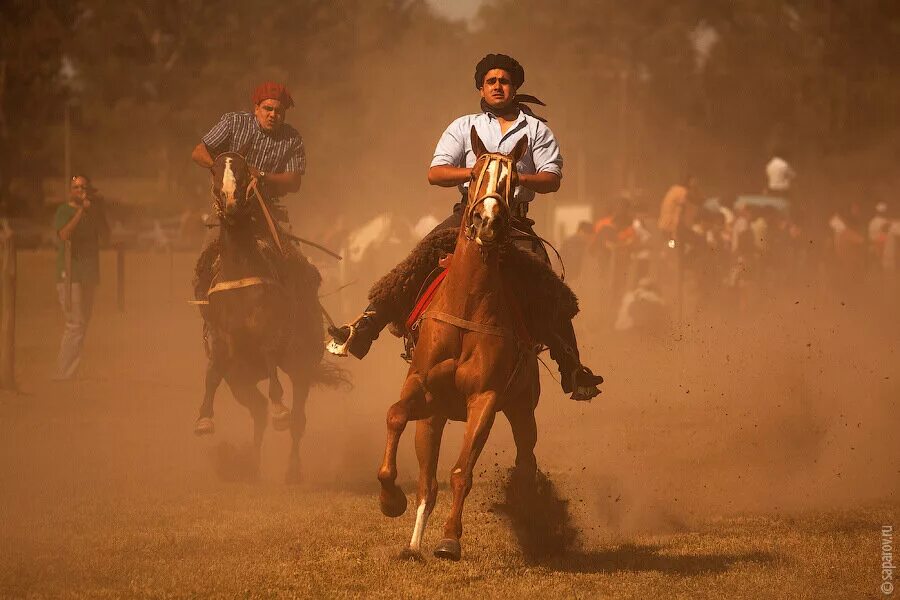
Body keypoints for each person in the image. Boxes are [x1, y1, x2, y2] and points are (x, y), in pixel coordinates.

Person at [327, 53, 603, 401]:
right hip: (468, 215)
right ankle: (365, 327)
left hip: (513, 221)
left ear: (515, 86)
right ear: (480, 88)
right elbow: (436, 172)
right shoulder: (463, 126)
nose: (498, 86)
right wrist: (473, 172)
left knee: (547, 283)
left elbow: (552, 179)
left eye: (504, 80)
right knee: (418, 259)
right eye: (491, 81)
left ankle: (571, 368)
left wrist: (516, 175)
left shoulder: (536, 130)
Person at [191, 81, 320, 302]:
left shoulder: (292, 138)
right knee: (205, 264)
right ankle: (208, 317)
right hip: (225, 210)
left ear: (284, 114)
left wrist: (261, 176)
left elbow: (294, 181)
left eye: (278, 111)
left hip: (267, 212)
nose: (273, 115)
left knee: (298, 266)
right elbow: (198, 152)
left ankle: (300, 315)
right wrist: (221, 170)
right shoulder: (234, 122)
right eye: (267, 109)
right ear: (256, 108)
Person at [53, 175, 109, 380]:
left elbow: (106, 236)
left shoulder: (92, 212)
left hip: (89, 275)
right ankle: (63, 372)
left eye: (84, 187)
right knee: (74, 323)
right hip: (70, 276)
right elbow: (64, 235)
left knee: (83, 324)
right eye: (76, 187)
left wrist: (97, 209)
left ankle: (71, 371)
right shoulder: (64, 211)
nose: (80, 190)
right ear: (70, 190)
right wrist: (80, 212)